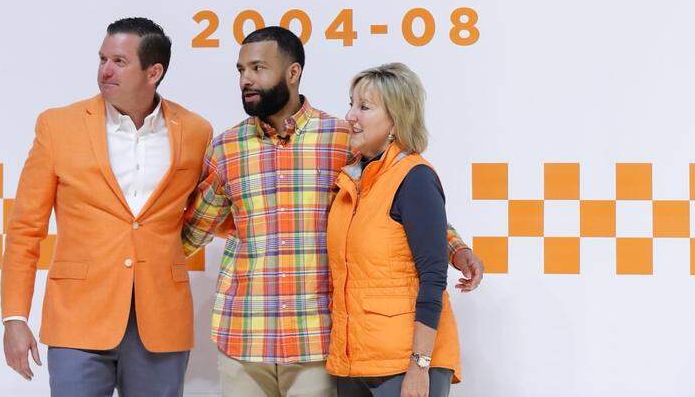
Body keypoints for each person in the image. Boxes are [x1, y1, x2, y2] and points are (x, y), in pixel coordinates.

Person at [181, 27, 483, 397]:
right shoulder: (226, 148)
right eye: (241, 70)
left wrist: (454, 247)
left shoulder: (342, 139)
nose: (246, 79)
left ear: (293, 73)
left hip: (317, 341)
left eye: (258, 68)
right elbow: (190, 233)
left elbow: (397, 196)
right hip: (245, 337)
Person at [0, 18, 213, 397]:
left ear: (154, 71)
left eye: (119, 61)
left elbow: (205, 211)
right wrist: (14, 318)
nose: (105, 70)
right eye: (102, 59)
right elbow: (25, 229)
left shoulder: (196, 131)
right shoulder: (57, 126)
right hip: (77, 317)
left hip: (161, 321)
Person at [327, 63, 460, 397]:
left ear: (396, 120)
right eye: (351, 103)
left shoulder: (415, 177)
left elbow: (433, 277)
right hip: (353, 363)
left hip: (404, 368)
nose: (350, 116)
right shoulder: (353, 181)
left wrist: (419, 365)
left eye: (364, 107)